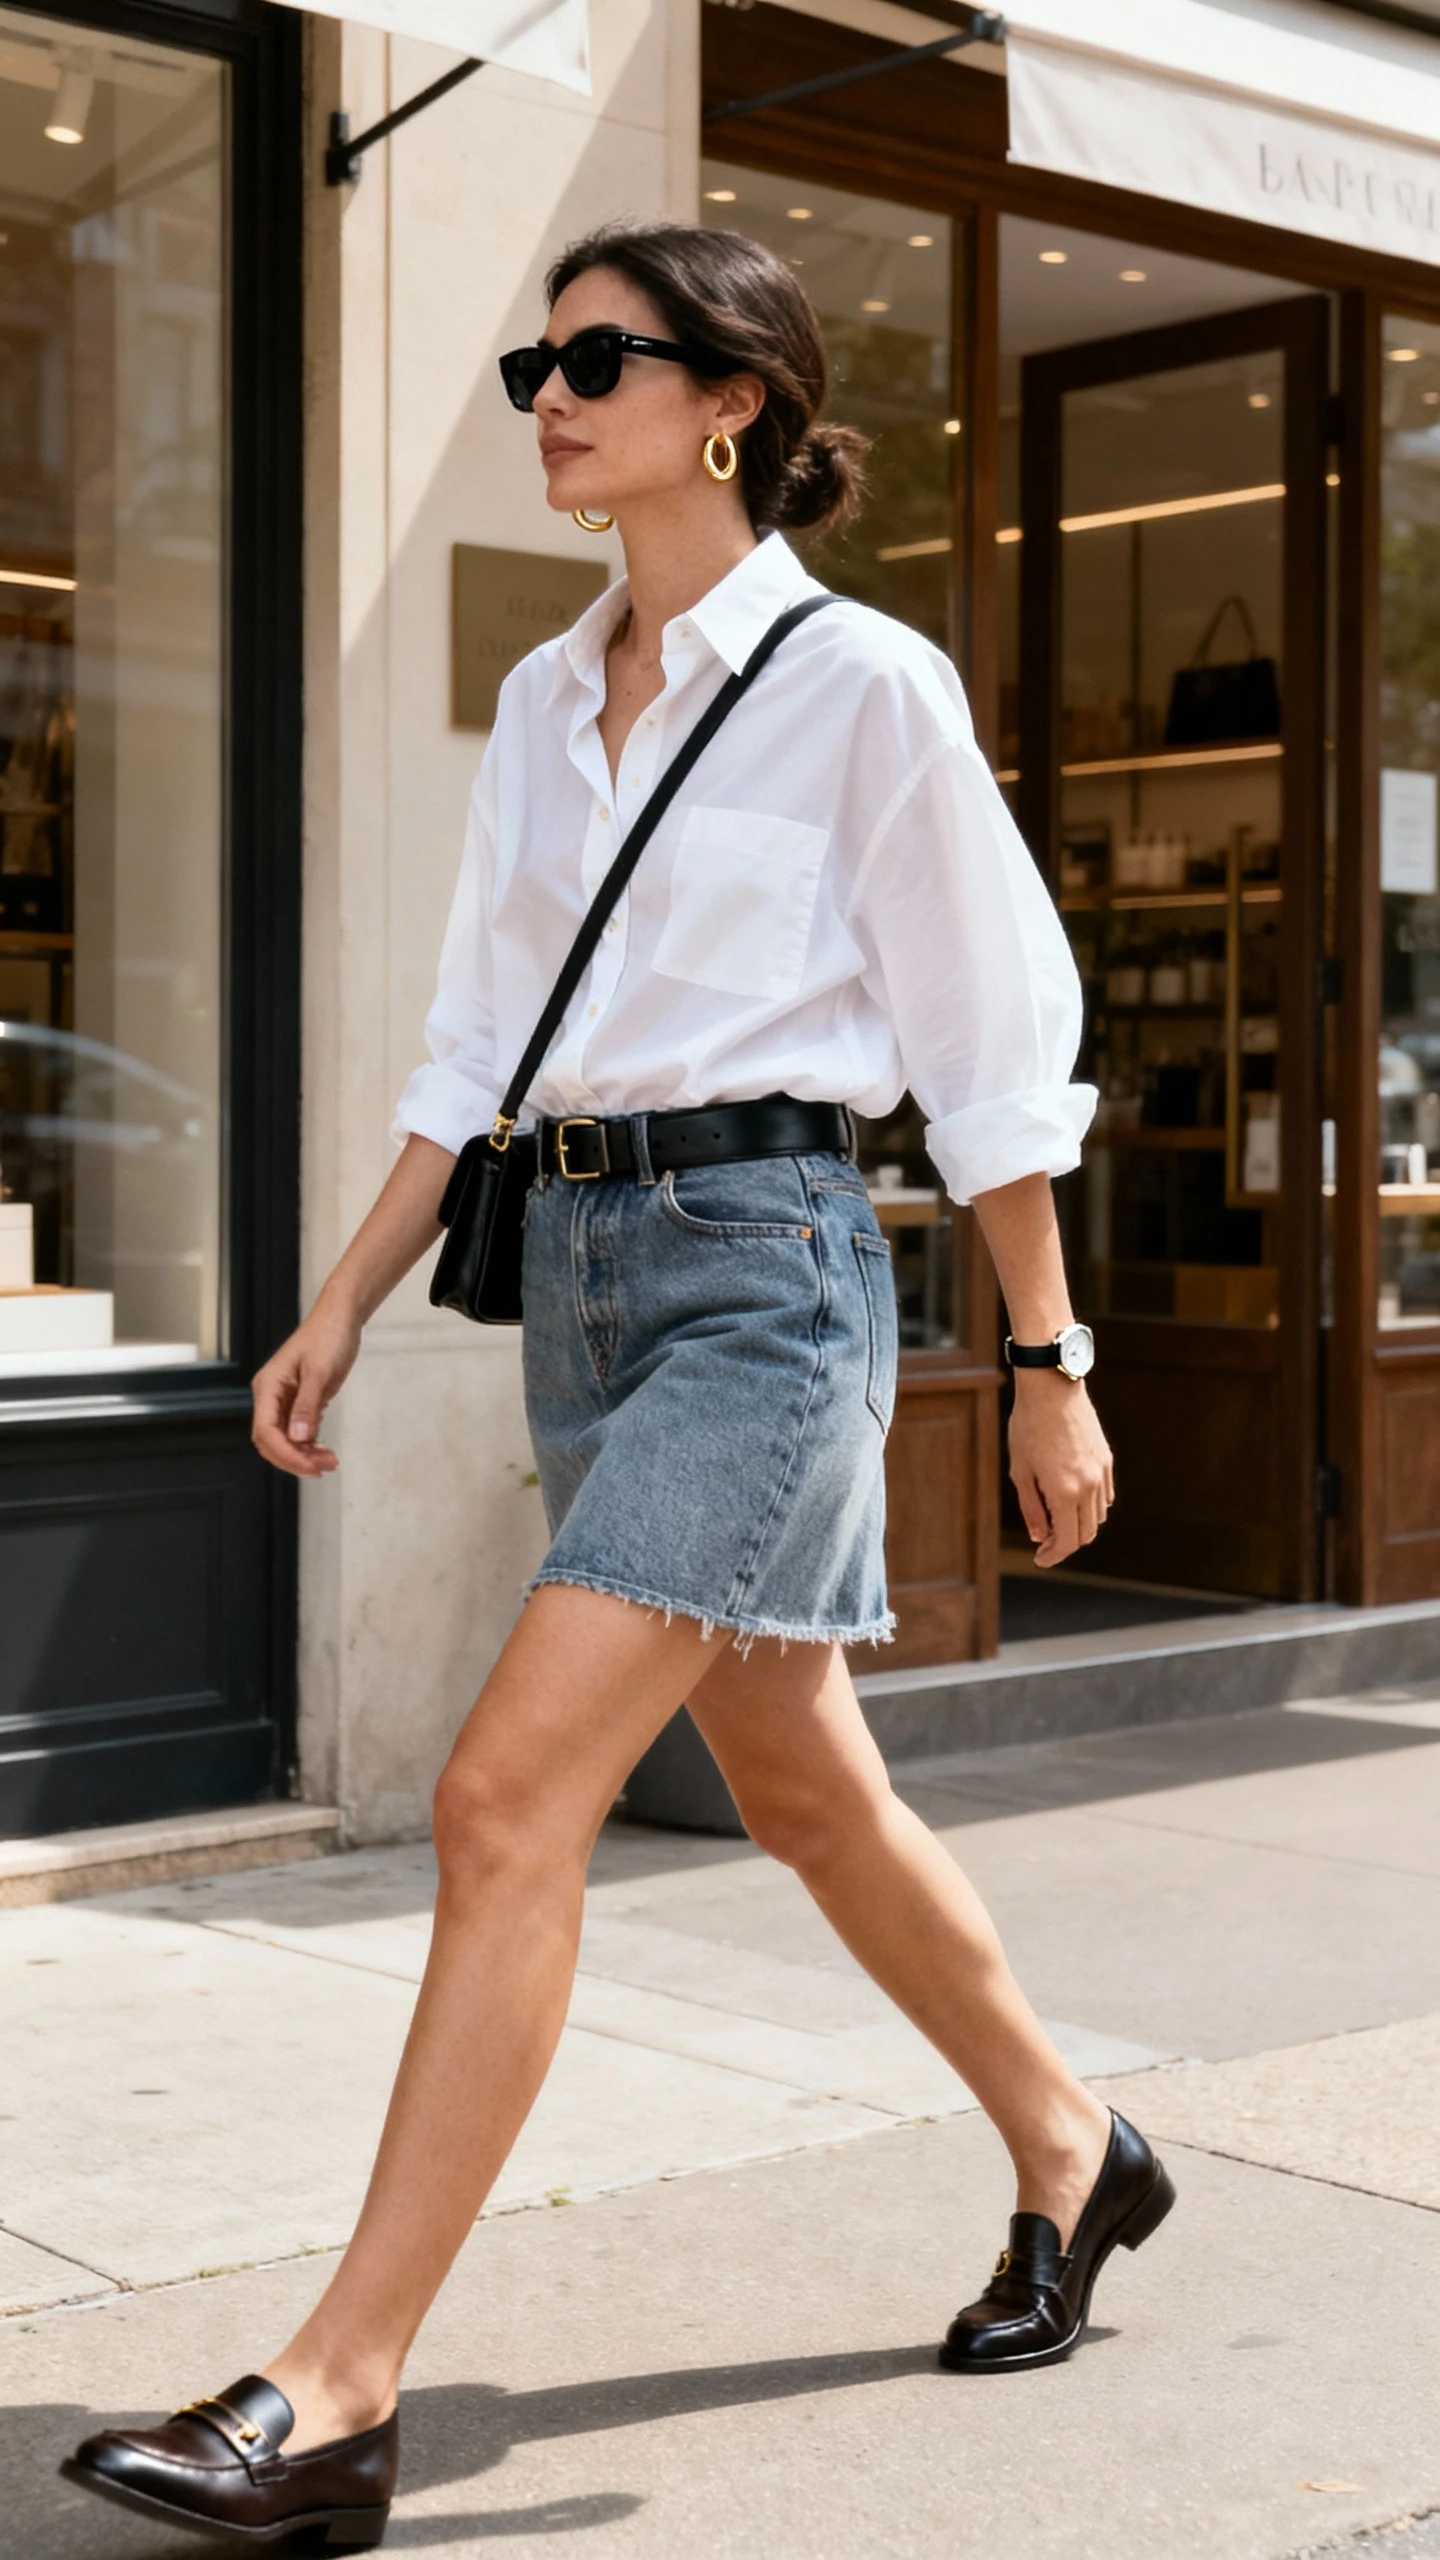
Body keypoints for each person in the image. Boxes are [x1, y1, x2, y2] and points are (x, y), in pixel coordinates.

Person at [63, 219, 1173, 2552]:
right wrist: (343, 1290)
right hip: (576, 1278)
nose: (548, 393)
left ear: (728, 404)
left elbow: (991, 1051)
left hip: (769, 1280)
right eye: (531, 360)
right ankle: (1081, 2144)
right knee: (805, 1794)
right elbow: (478, 1047)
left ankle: (341, 2386)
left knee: (501, 1793)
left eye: (595, 357)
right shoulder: (551, 701)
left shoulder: (861, 684)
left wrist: (1051, 1358)